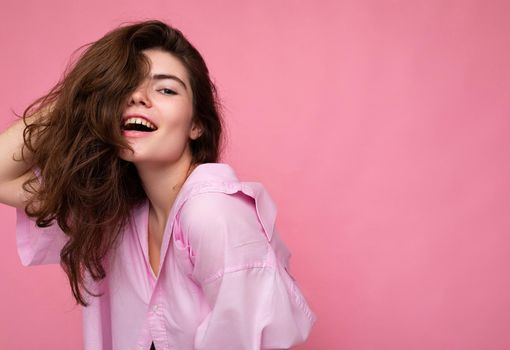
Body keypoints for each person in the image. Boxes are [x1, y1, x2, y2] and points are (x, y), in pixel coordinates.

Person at [0, 19, 316, 349]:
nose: (139, 98)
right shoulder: (116, 213)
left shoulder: (213, 213)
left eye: (166, 89)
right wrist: (82, 99)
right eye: (126, 88)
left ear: (196, 125)